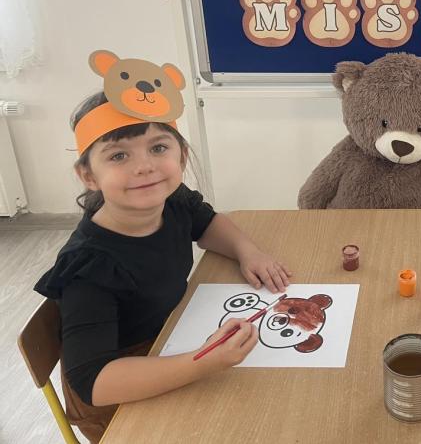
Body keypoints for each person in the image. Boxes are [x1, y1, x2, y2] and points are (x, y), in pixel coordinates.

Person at [34, 51, 291, 442]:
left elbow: (207, 224)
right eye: (119, 155)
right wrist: (201, 362)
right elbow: (95, 383)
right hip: (120, 397)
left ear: (181, 155)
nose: (145, 166)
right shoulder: (90, 266)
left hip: (171, 337)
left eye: (158, 148)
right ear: (88, 175)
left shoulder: (172, 200)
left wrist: (247, 251)